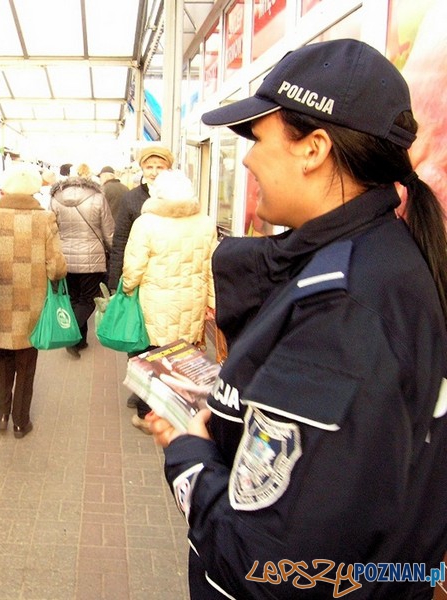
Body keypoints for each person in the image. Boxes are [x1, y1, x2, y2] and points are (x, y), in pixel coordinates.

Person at [147, 39, 447, 599]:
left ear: (313, 149)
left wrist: (186, 454)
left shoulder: (342, 306)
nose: (249, 159)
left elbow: (264, 567)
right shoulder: (376, 257)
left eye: (258, 137)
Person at [121, 170, 217, 434]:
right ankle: (179, 413)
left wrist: (127, 289)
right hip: (191, 303)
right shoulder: (206, 222)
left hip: (155, 303)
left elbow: (133, 268)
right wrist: (211, 301)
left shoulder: (146, 223)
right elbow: (212, 267)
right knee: (181, 357)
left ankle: (146, 415)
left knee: (148, 358)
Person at [0, 163, 67, 439]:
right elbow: (56, 266)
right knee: (27, 359)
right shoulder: (45, 219)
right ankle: (21, 421)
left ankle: (1, 413)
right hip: (33, 299)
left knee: (3, 355)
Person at [50, 174, 114, 358]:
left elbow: (52, 229)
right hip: (92, 258)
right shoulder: (97, 197)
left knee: (73, 299)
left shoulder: (55, 198)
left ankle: (80, 341)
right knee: (87, 300)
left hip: (65, 257)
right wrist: (113, 252)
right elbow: (109, 231)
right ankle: (72, 335)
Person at [107, 145, 174, 290]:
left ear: (169, 169)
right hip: (141, 274)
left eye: (160, 167)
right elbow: (120, 240)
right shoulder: (130, 198)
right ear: (142, 169)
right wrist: (115, 282)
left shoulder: (179, 196)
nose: (154, 172)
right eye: (149, 167)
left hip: (172, 271)